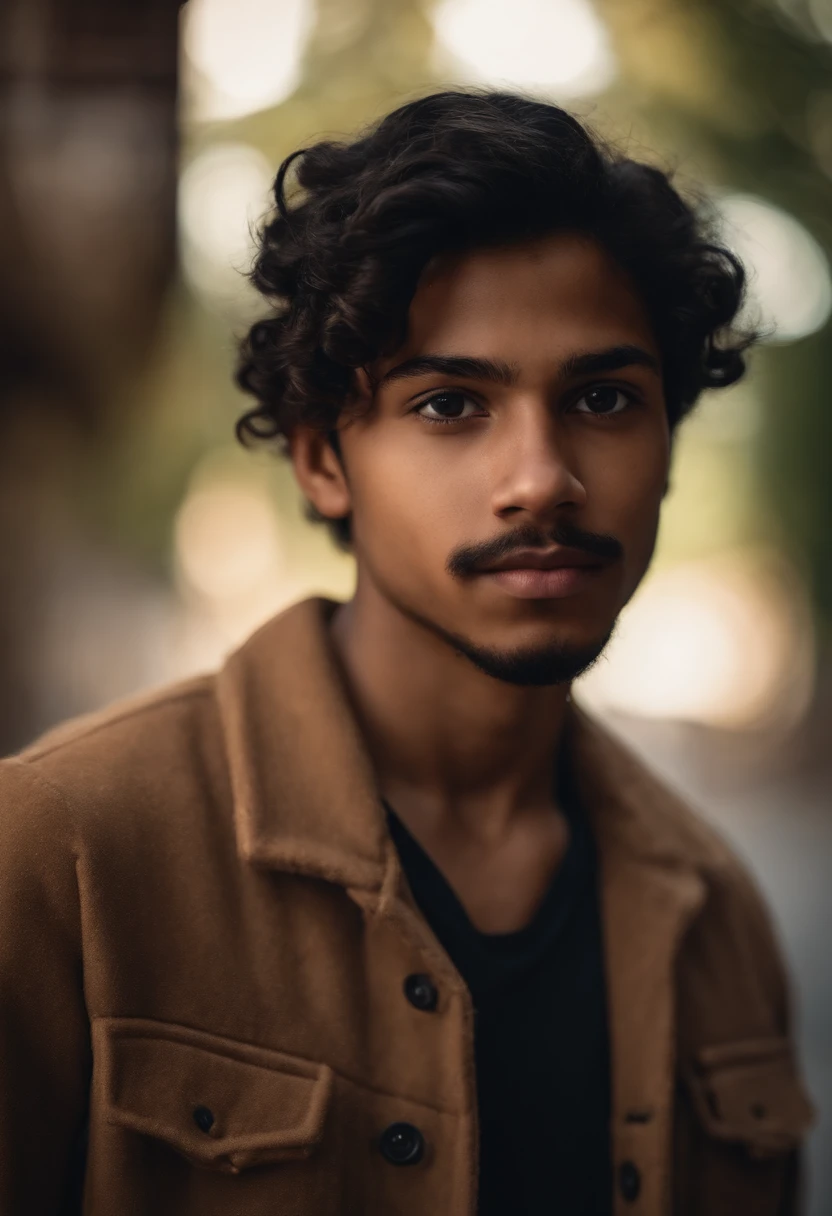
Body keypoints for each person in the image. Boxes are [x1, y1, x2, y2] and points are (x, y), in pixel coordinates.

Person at [0, 90, 815, 1216]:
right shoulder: (65, 851)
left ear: (667, 447)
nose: (542, 475)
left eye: (602, 396)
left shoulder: (717, 917)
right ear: (322, 461)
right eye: (449, 404)